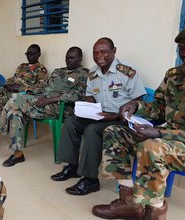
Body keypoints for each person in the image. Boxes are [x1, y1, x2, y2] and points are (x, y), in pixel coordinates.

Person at [91, 26, 185, 220]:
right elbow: (160, 108)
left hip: (182, 142)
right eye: (182, 48)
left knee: (151, 147)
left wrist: (160, 134)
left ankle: (154, 212)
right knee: (114, 132)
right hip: (167, 137)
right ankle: (128, 203)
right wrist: (136, 106)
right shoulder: (174, 76)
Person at [50, 38, 146, 196]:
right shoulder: (93, 73)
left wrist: (116, 114)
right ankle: (72, 167)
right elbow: (91, 97)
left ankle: (90, 180)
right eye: (95, 53)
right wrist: (86, 108)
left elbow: (139, 100)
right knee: (71, 122)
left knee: (92, 130)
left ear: (114, 51)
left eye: (103, 52)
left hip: (121, 120)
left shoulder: (127, 72)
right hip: (100, 115)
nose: (98, 55)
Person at [0, 47, 89, 167]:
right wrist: (34, 94)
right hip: (41, 101)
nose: (69, 60)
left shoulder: (84, 74)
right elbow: (44, 87)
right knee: (15, 112)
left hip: (59, 107)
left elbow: (80, 95)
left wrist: (51, 99)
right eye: (67, 57)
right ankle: (17, 154)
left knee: (15, 99)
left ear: (80, 59)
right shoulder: (58, 71)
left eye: (72, 58)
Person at [0, 44, 48, 152]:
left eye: (32, 54)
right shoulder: (21, 66)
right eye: (27, 53)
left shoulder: (41, 69)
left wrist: (21, 88)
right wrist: (8, 84)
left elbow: (41, 87)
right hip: (9, 91)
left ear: (39, 54)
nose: (29, 56)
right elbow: (13, 78)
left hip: (21, 95)